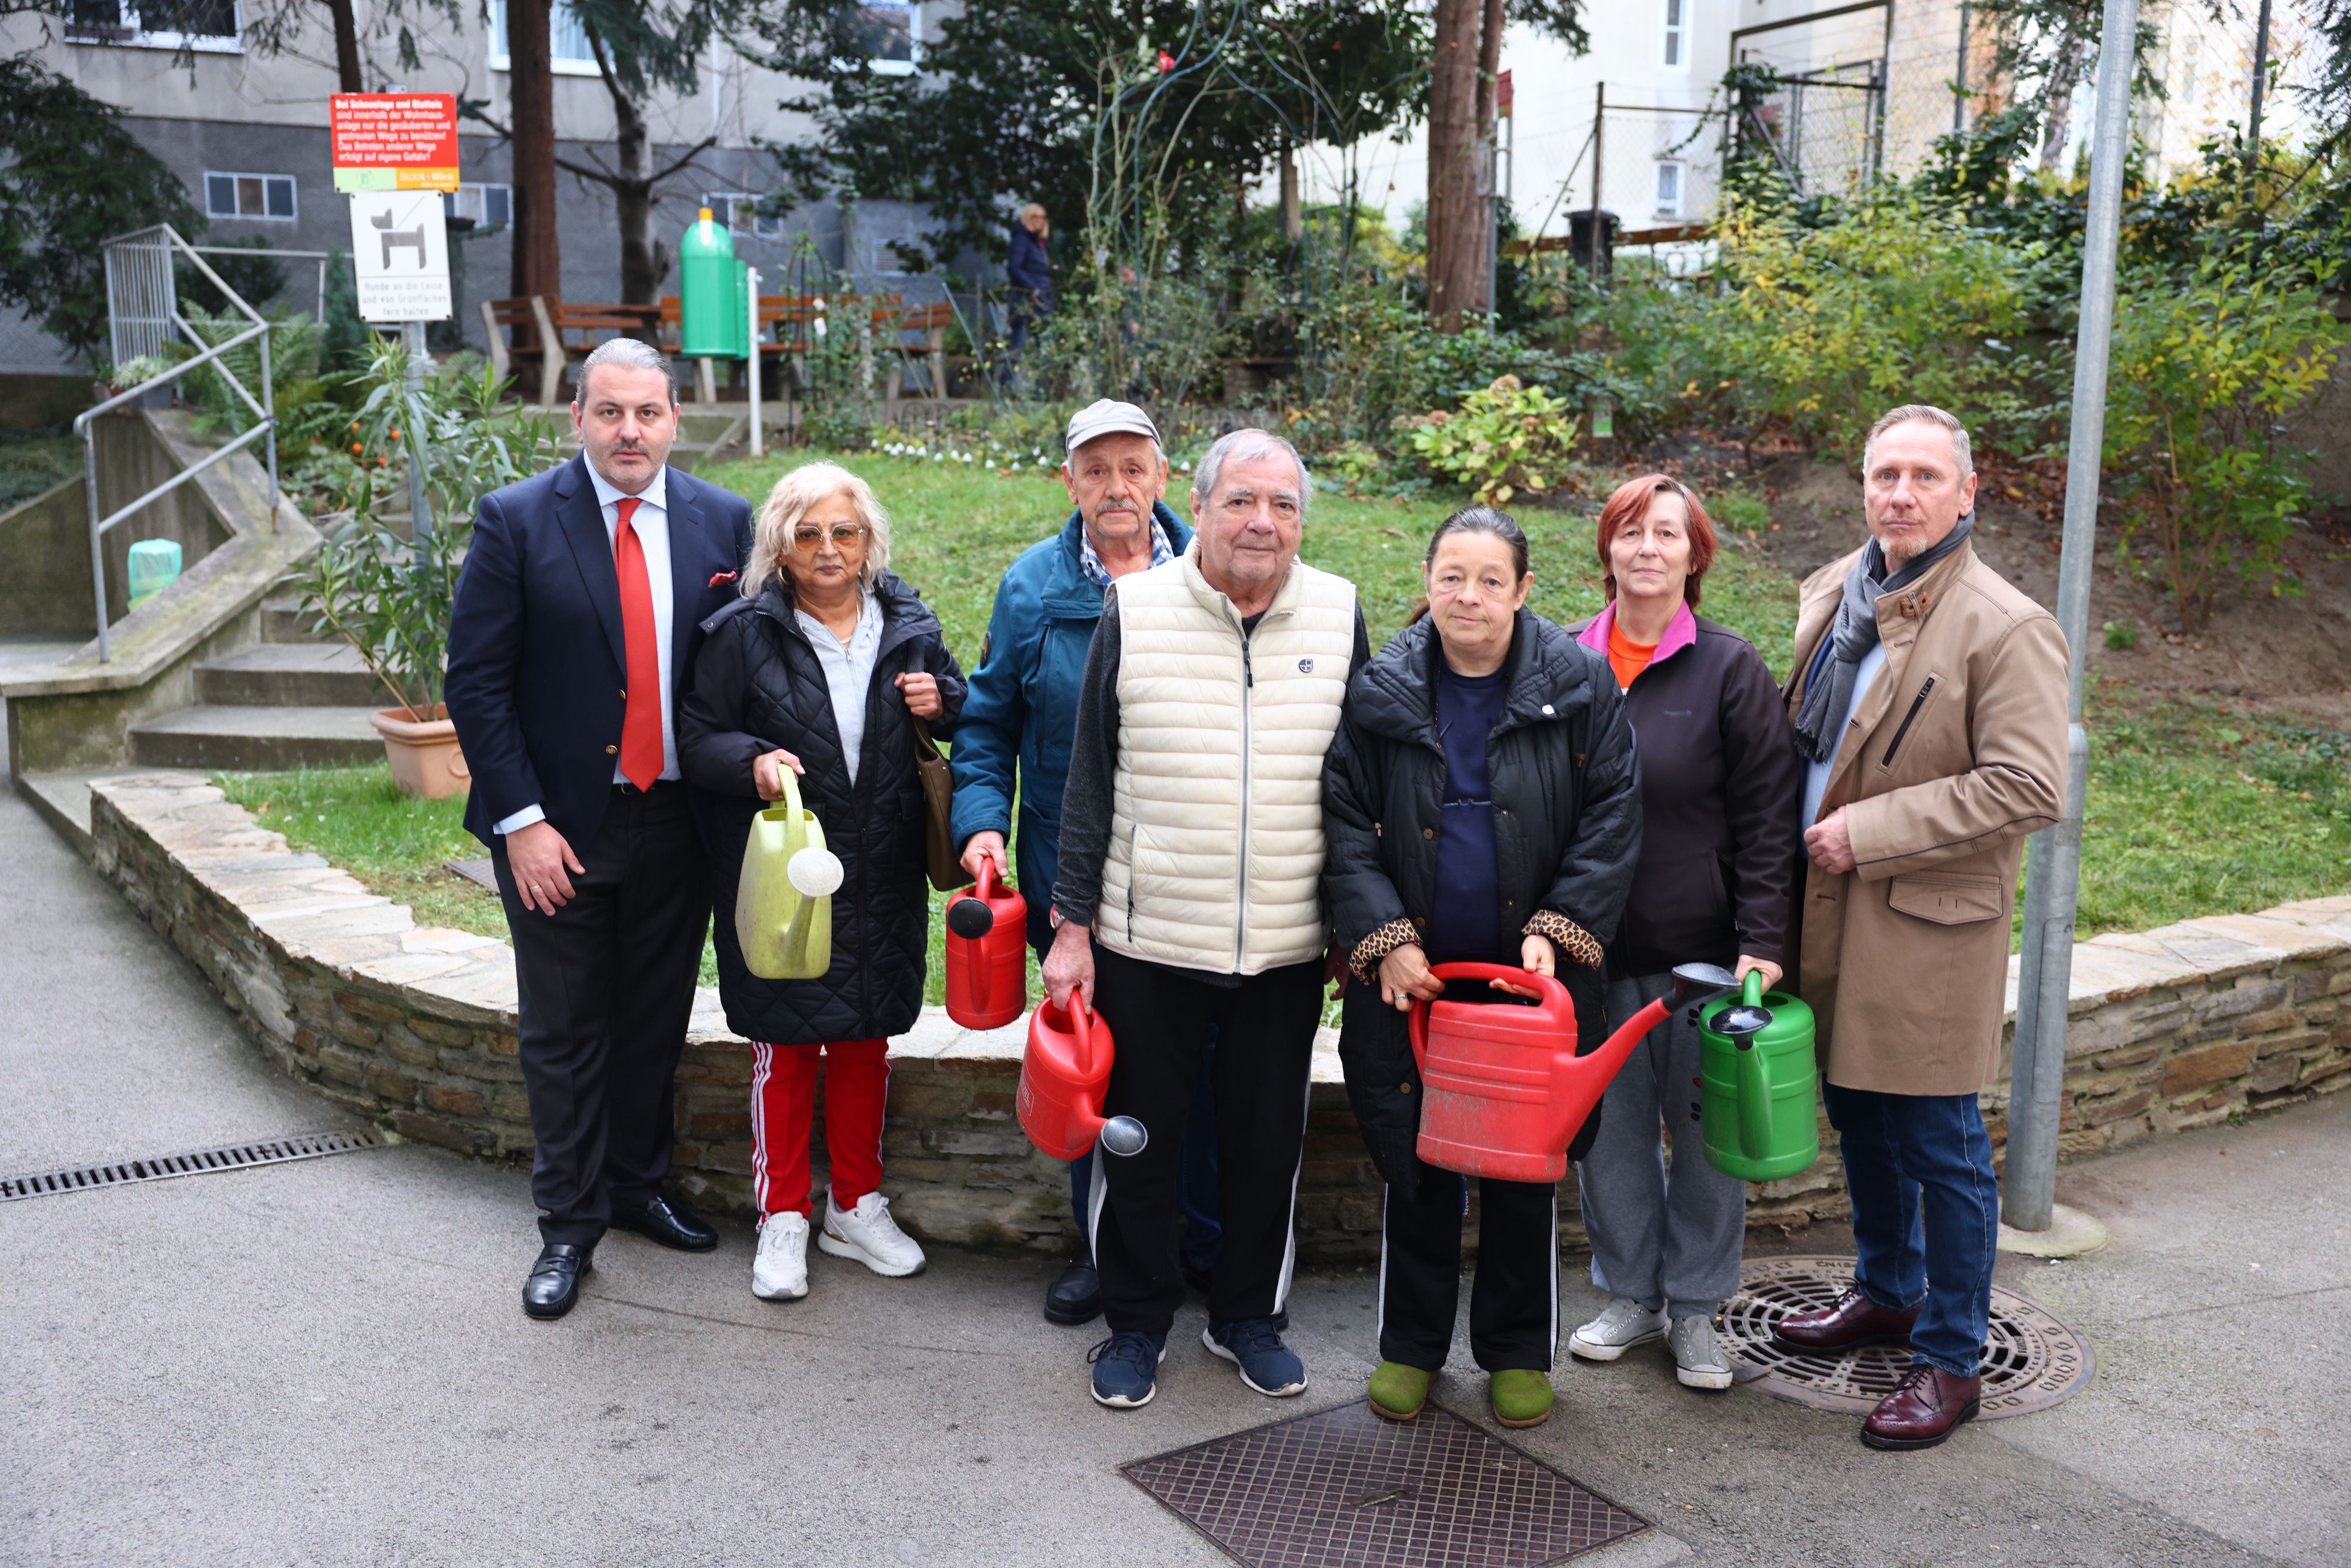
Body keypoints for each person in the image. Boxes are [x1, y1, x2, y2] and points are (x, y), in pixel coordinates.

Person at [1045, 428, 1370, 1410]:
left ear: (1301, 518)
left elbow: (1366, 788)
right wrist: (1072, 928)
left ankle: (1247, 1319)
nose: (1261, 521)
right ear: (1202, 506)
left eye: (1281, 504)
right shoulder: (1135, 610)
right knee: (1138, 1141)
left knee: (1266, 1144)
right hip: (1151, 941)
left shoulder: (1343, 610)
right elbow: (1088, 779)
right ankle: (1135, 1325)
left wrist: (1360, 928)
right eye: (1240, 501)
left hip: (1284, 947)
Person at [1770, 404, 2067, 1450]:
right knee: (1864, 1122)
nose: (1901, 493)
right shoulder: (1837, 591)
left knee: (1942, 1148)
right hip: (1830, 910)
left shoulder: (2006, 623)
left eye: (1924, 477)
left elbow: (2031, 784)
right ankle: (1886, 1291)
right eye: (1885, 473)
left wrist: (1874, 828)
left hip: (1927, 926)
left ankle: (1949, 1357)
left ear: (1966, 493)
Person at [444, 338, 754, 1321]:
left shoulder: (723, 521)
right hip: (557, 828)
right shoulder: (517, 520)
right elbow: (477, 683)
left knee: (654, 1019)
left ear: (675, 419)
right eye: (611, 412)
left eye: (649, 413)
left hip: (676, 819)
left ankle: (636, 1185)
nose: (631, 431)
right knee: (565, 1029)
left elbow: (755, 655)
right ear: (577, 416)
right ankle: (567, 1225)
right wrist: (522, 820)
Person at [1322, 506, 1642, 1431]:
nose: (1470, 596)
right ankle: (1410, 1348)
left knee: (1522, 1170)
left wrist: (1563, 923)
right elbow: (1345, 822)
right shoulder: (1379, 688)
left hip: (1530, 981)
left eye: (1491, 579)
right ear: (1427, 581)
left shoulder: (1581, 685)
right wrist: (1386, 939)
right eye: (1452, 577)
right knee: (1417, 1161)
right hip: (1412, 979)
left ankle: (1515, 1350)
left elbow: (1614, 814)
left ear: (1524, 590)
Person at [950, 400, 1217, 1328]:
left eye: (1131, 469)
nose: (1115, 487)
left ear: (1163, 479)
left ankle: (1205, 1248)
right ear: (1070, 482)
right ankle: (1106, 1253)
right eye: (1095, 470)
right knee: (1093, 1072)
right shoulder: (1033, 587)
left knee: (1204, 1075)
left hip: (1195, 876)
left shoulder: (1211, 574)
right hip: (1078, 884)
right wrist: (979, 823)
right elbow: (985, 728)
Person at [679, 463, 966, 1303]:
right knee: (786, 1045)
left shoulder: (906, 625)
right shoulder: (742, 632)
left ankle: (855, 1204)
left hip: (881, 870)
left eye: (844, 532)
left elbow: (960, 707)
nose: (829, 549)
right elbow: (698, 739)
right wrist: (753, 761)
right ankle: (784, 1216)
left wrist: (938, 698)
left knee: (866, 1041)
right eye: (809, 534)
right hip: (789, 875)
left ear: (869, 540)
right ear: (780, 546)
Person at [1564, 477, 1800, 1391]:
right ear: (1609, 549)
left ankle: (1697, 1310)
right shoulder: (1560, 657)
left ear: (1695, 554)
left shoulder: (1729, 669)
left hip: (1702, 957)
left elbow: (1768, 821)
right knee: (1611, 1136)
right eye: (1632, 532)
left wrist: (1762, 936)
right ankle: (1632, 1295)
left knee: (1704, 1141)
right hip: (1588, 951)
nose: (1648, 548)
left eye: (1668, 533)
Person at [1006, 203, 1053, 357]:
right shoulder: (1022, 239)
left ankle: (1044, 382)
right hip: (1025, 302)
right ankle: (1006, 382)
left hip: (1042, 301)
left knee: (1046, 349)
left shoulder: (1041, 243)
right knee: (1018, 347)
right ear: (1027, 217)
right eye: (1035, 216)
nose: (1040, 220)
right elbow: (1014, 268)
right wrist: (1033, 289)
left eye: (1043, 217)